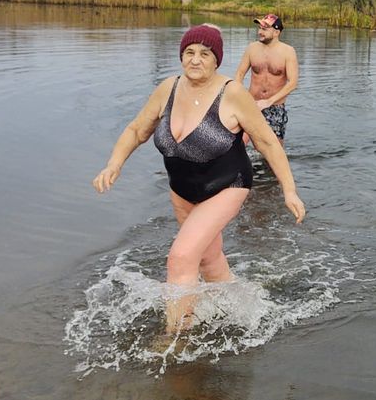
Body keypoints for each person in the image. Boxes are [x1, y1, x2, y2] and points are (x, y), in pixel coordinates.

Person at [92, 24, 306, 334]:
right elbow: (137, 130)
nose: (195, 60)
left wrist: (289, 190)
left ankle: (177, 339)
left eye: (204, 54)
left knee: (180, 258)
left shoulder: (232, 93)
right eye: (189, 52)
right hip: (182, 189)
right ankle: (243, 310)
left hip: (227, 186)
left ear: (216, 59)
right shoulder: (168, 88)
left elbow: (267, 142)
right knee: (207, 257)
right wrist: (114, 164)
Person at [234, 13, 299, 143]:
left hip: (275, 107)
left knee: (274, 153)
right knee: (238, 145)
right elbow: (240, 74)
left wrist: (269, 101)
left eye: (265, 29)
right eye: (260, 28)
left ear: (276, 32)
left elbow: (293, 83)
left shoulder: (288, 51)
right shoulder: (252, 48)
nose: (260, 32)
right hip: (251, 104)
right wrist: (239, 96)